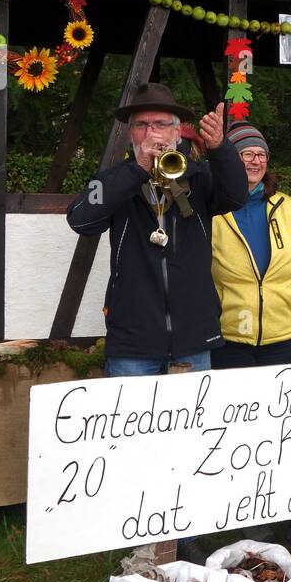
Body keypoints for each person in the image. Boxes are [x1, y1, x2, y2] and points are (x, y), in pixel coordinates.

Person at [66, 83, 245, 376]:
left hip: (194, 341)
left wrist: (220, 148)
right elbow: (81, 219)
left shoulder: (199, 177)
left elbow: (237, 195)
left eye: (161, 124)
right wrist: (136, 169)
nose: (151, 133)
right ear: (130, 133)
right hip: (133, 346)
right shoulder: (114, 180)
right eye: (141, 125)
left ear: (176, 132)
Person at [210, 122, 291, 369]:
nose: (255, 161)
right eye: (246, 154)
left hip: (283, 342)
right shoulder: (213, 211)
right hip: (227, 341)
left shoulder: (288, 207)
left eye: (261, 154)